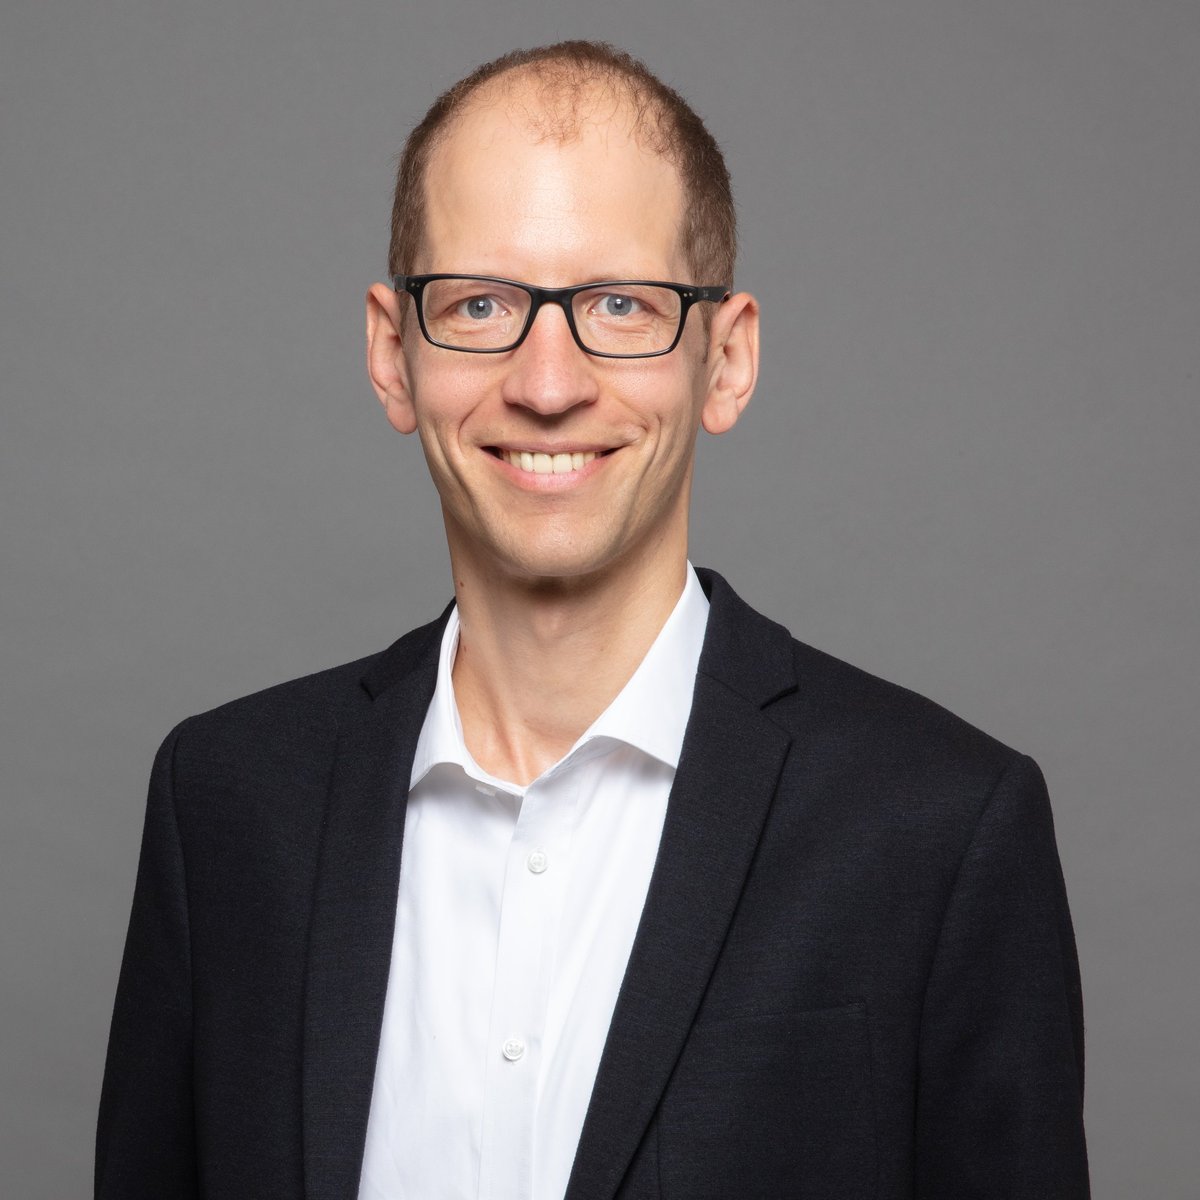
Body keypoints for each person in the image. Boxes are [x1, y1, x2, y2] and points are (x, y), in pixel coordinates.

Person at [96, 40, 1090, 1200]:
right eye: (479, 304)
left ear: (727, 359)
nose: (548, 383)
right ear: (392, 354)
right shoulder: (225, 806)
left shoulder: (941, 829)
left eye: (621, 305)